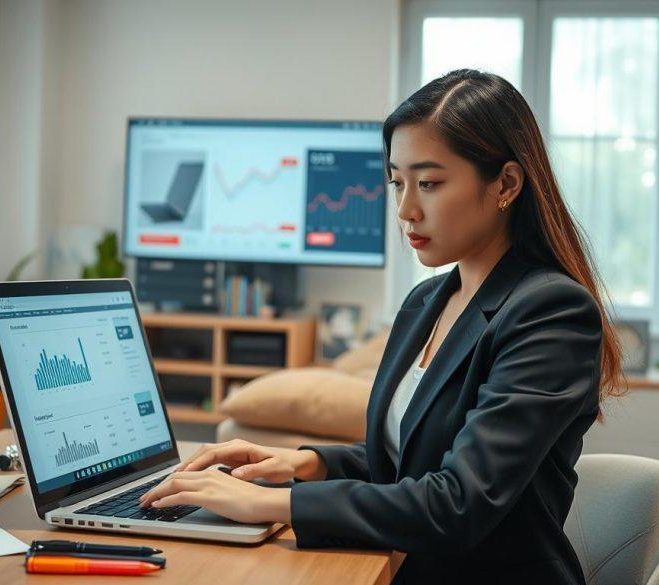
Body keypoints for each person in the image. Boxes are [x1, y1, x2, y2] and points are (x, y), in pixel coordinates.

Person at [139, 69, 624, 584]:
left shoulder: (551, 311)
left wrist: (275, 502)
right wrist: (305, 464)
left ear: (505, 183)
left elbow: (457, 503)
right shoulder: (426, 303)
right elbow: (411, 463)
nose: (405, 209)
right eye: (397, 182)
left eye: (430, 183)